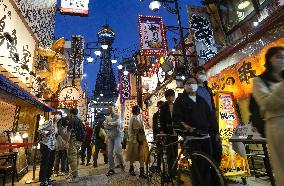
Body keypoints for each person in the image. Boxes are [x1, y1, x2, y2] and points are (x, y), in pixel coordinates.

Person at [172, 75, 219, 186]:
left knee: (208, 164)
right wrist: (185, 126)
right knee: (197, 167)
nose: (191, 85)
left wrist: (216, 132)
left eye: (193, 82)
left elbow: (211, 116)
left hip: (206, 136)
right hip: (192, 138)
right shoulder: (180, 100)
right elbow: (176, 118)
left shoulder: (201, 100)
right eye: (188, 83)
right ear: (184, 85)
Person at [252, 46, 284, 185]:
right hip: (277, 127)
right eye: (279, 57)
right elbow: (267, 104)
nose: (282, 60)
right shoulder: (259, 81)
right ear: (269, 59)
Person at [193, 66, 222, 166]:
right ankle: (206, 179)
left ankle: (216, 177)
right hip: (200, 127)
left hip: (211, 124)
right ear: (194, 75)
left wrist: (217, 130)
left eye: (203, 73)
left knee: (217, 152)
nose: (202, 75)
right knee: (204, 156)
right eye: (199, 73)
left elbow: (212, 109)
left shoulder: (208, 90)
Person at [159, 89, 178, 175]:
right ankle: (170, 173)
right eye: (169, 96)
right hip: (168, 132)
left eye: (172, 95)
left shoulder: (176, 105)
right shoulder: (163, 106)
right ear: (166, 97)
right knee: (170, 153)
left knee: (176, 153)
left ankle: (175, 172)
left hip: (175, 132)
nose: (171, 97)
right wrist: (162, 130)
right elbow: (161, 120)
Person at [126, 105, 148, 178]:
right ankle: (131, 168)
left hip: (140, 139)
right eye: (138, 109)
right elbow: (130, 130)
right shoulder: (132, 118)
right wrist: (133, 138)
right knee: (133, 155)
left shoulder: (139, 117)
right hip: (134, 140)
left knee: (141, 155)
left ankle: (142, 170)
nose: (139, 111)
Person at [104, 104, 125, 176]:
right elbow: (106, 126)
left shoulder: (118, 116)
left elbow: (118, 123)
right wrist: (112, 124)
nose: (110, 109)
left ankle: (122, 163)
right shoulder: (107, 117)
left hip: (118, 136)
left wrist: (110, 124)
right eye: (109, 108)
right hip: (110, 137)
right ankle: (111, 169)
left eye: (111, 108)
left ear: (114, 108)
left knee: (117, 151)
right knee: (109, 153)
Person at [65, 108, 82, 183]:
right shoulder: (79, 120)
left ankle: (75, 176)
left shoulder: (72, 120)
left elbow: (69, 132)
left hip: (73, 141)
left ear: (71, 113)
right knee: (76, 157)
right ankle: (73, 174)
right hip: (78, 141)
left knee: (72, 158)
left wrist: (67, 142)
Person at [38, 119, 56, 186]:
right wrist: (47, 133)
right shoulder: (49, 122)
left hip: (52, 146)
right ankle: (43, 180)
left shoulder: (56, 125)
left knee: (51, 163)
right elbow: (39, 130)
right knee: (45, 162)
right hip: (45, 145)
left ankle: (47, 177)